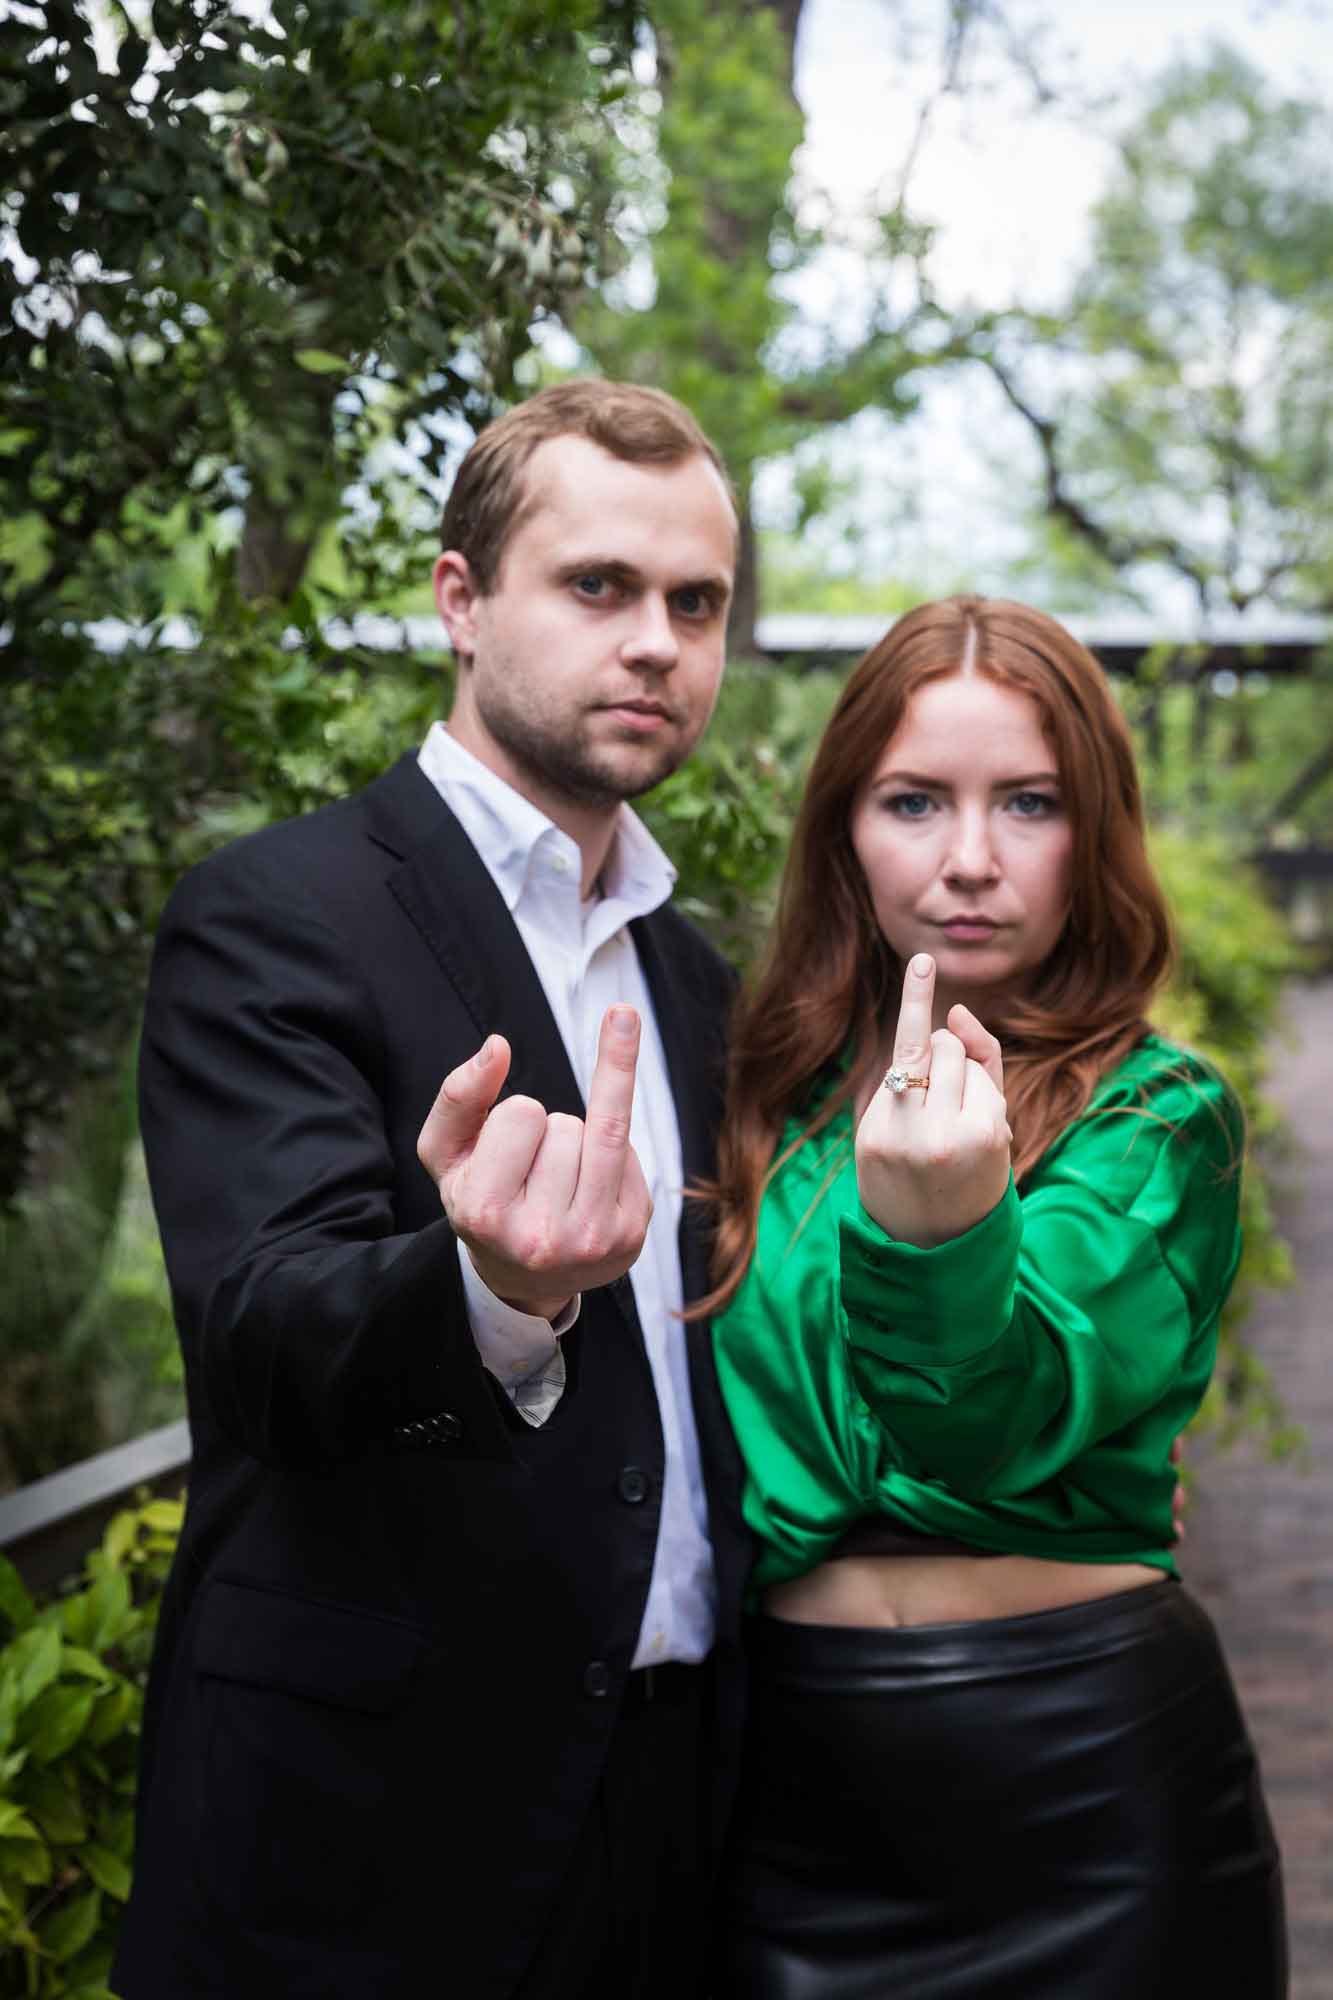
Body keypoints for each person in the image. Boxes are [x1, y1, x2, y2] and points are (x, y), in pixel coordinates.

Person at [111, 379, 754, 2000]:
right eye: (597, 586)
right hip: (372, 1841)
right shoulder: (281, 912)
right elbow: (263, 1331)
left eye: (696, 602)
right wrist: (496, 1290)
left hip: (681, 1806)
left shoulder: (693, 975)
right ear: (460, 601)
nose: (656, 642)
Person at [704, 596, 1287, 1997]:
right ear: (842, 828)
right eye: (913, 801)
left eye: (1026, 802)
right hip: (794, 1798)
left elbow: (993, 1423)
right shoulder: (752, 1110)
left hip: (1087, 1790)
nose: (969, 861)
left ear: (1091, 832)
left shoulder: (1157, 1117)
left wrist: (941, 1230)